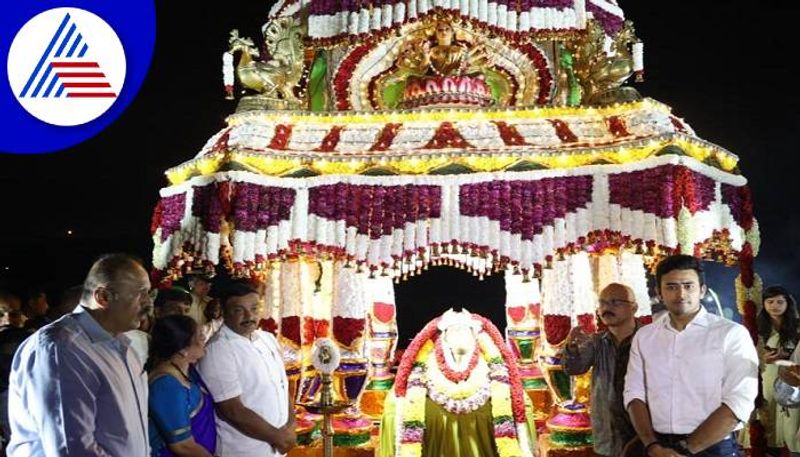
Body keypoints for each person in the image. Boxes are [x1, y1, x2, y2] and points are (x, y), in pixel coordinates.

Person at [7, 253, 152, 456]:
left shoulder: (122, 345)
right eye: (140, 293)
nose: (148, 303)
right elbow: (71, 448)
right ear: (103, 297)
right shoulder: (62, 348)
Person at [624, 254, 758, 457]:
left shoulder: (731, 334)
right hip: (658, 447)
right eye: (671, 287)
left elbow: (739, 400)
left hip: (712, 447)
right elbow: (634, 393)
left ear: (702, 290)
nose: (680, 294)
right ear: (659, 292)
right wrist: (651, 445)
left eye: (688, 286)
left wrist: (686, 449)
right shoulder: (645, 336)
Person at [197, 281, 295, 456]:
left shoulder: (267, 339)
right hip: (245, 450)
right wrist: (277, 437)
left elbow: (281, 386)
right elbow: (232, 409)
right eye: (239, 310)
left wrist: (291, 425)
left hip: (278, 447)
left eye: (255, 308)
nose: (249, 316)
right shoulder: (218, 350)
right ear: (223, 311)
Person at [562, 283, 641, 457]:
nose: (607, 308)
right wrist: (572, 349)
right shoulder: (597, 342)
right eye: (602, 303)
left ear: (634, 307)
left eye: (615, 302)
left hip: (644, 435)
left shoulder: (648, 339)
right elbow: (574, 369)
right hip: (608, 436)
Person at [148, 315, 216, 457]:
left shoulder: (186, 371)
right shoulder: (166, 386)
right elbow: (183, 446)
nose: (204, 339)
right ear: (182, 349)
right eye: (199, 336)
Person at [755, 285, 800, 455]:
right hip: (766, 375)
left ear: (788, 303)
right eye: (770, 301)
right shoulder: (756, 327)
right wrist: (763, 358)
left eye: (780, 302)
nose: (775, 305)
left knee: (791, 417)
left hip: (792, 377)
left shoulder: (796, 326)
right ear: (763, 304)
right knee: (768, 414)